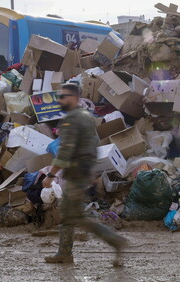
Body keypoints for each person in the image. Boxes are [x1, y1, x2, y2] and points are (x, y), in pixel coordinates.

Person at [42, 83, 128, 265]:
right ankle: (64, 253)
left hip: (74, 173)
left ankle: (115, 241)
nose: (60, 100)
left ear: (73, 98)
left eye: (63, 96)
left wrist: (51, 176)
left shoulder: (72, 119)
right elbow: (95, 143)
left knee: (75, 215)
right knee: (68, 213)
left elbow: (65, 151)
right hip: (83, 171)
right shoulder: (87, 117)